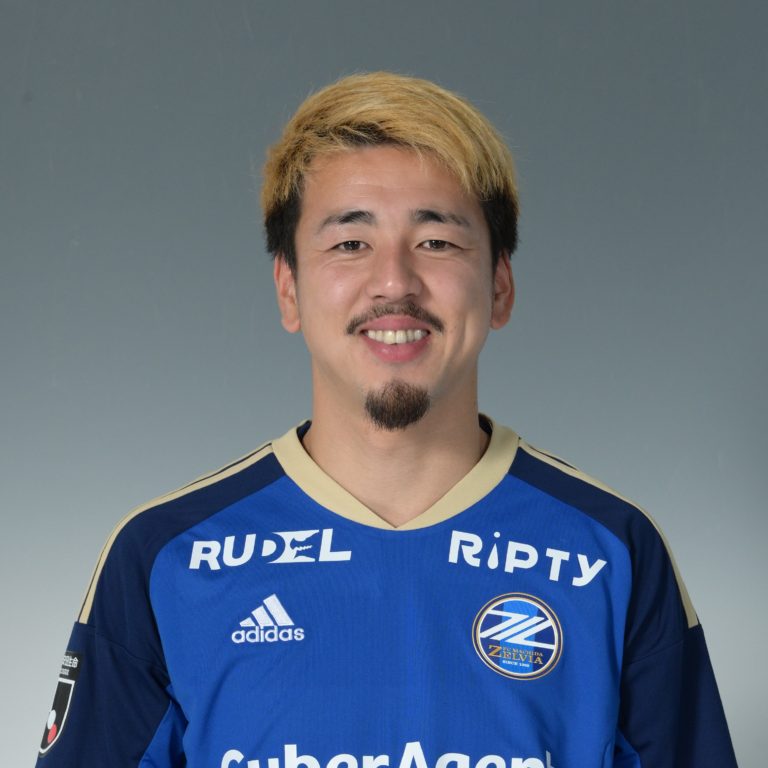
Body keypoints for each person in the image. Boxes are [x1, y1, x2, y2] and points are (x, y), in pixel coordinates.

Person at [35, 72, 737, 768]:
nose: (395, 281)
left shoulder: (612, 551)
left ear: (500, 286)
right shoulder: (165, 557)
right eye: (350, 244)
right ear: (289, 289)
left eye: (437, 242)